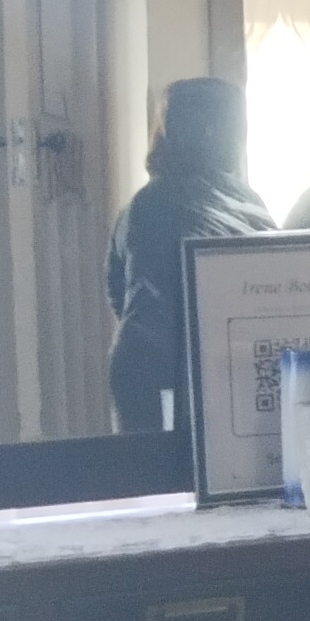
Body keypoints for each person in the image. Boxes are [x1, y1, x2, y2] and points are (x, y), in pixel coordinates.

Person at [105, 77, 273, 433]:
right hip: (185, 369)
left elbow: (116, 289)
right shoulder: (248, 203)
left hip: (153, 367)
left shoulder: (144, 202)